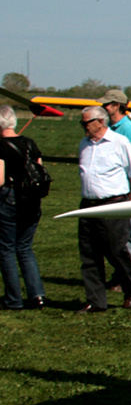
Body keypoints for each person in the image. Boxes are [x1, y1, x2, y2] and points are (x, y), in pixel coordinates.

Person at [76, 105, 131, 313]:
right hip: (88, 204)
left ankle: (130, 289)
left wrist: (128, 200)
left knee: (116, 250)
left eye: (86, 123)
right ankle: (95, 301)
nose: (83, 127)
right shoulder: (84, 144)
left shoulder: (119, 142)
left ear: (100, 122)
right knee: (89, 253)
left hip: (113, 203)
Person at [0, 105, 47, 310]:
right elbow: (40, 169)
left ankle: (13, 299)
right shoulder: (30, 143)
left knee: (6, 249)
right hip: (32, 200)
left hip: (9, 199)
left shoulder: (0, 145)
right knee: (25, 248)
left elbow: (0, 179)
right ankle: (37, 295)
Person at [99, 88, 131, 282]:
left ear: (117, 106)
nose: (103, 107)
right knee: (113, 239)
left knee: (128, 239)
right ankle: (120, 275)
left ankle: (130, 277)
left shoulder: (128, 128)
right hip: (113, 191)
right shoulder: (111, 128)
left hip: (127, 192)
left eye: (107, 104)